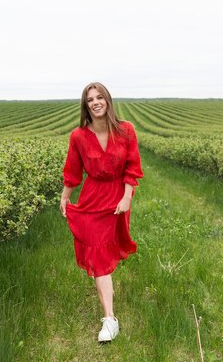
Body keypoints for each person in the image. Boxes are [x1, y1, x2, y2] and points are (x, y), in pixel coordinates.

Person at [60, 82, 144, 343]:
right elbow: (73, 170)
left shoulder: (126, 130)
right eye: (89, 99)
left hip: (117, 199)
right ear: (85, 106)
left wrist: (127, 197)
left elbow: (132, 167)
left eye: (99, 97)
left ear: (107, 100)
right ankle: (110, 319)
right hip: (92, 199)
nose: (95, 102)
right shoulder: (78, 136)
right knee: (97, 259)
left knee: (108, 252)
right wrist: (65, 197)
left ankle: (108, 308)